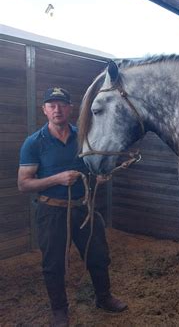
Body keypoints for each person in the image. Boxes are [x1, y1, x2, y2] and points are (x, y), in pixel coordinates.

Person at [17, 87, 127, 327]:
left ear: (70, 108)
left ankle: (103, 297)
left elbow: (93, 167)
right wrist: (56, 179)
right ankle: (59, 311)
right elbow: (23, 183)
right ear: (44, 110)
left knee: (98, 255)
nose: (57, 109)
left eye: (62, 105)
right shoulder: (34, 143)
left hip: (83, 208)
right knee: (53, 263)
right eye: (52, 105)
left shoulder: (83, 137)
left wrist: (98, 176)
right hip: (52, 212)